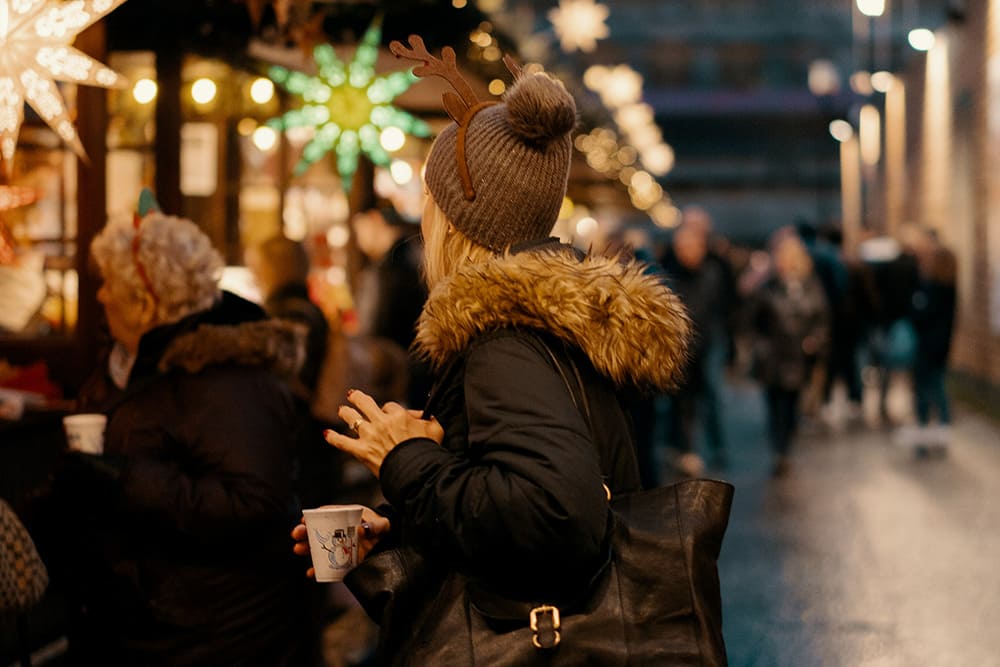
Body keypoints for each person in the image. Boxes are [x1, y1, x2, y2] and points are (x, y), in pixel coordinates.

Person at [292, 49, 692, 663]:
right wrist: (402, 523)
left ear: (455, 221)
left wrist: (403, 459)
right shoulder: (546, 323)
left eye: (431, 201)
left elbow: (558, 516)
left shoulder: (506, 340)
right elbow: (512, 505)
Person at [45, 195, 310, 665]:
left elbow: (253, 504)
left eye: (108, 283)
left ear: (145, 299)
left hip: (210, 639)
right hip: (145, 624)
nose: (100, 295)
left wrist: (123, 479)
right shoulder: (126, 364)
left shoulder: (228, 379)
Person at [749, 229, 830, 477]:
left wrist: (815, 340)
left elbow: (822, 318)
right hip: (773, 355)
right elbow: (753, 319)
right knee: (774, 405)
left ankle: (785, 447)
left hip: (797, 356)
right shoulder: (768, 287)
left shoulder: (810, 285)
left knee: (790, 404)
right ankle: (779, 450)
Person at [660, 213, 732, 475]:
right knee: (682, 402)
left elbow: (721, 306)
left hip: (708, 342)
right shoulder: (669, 271)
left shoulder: (714, 269)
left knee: (710, 397)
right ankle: (685, 448)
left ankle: (716, 448)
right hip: (683, 346)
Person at [349, 202, 430, 410]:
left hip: (397, 375)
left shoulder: (390, 269)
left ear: (375, 220)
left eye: (359, 229)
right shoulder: (415, 256)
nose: (359, 240)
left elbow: (374, 329)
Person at [908, 229, 957, 454]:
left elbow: (920, 315)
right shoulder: (948, 288)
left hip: (927, 347)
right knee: (937, 389)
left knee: (926, 391)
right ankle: (941, 431)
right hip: (939, 347)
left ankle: (925, 435)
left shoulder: (932, 289)